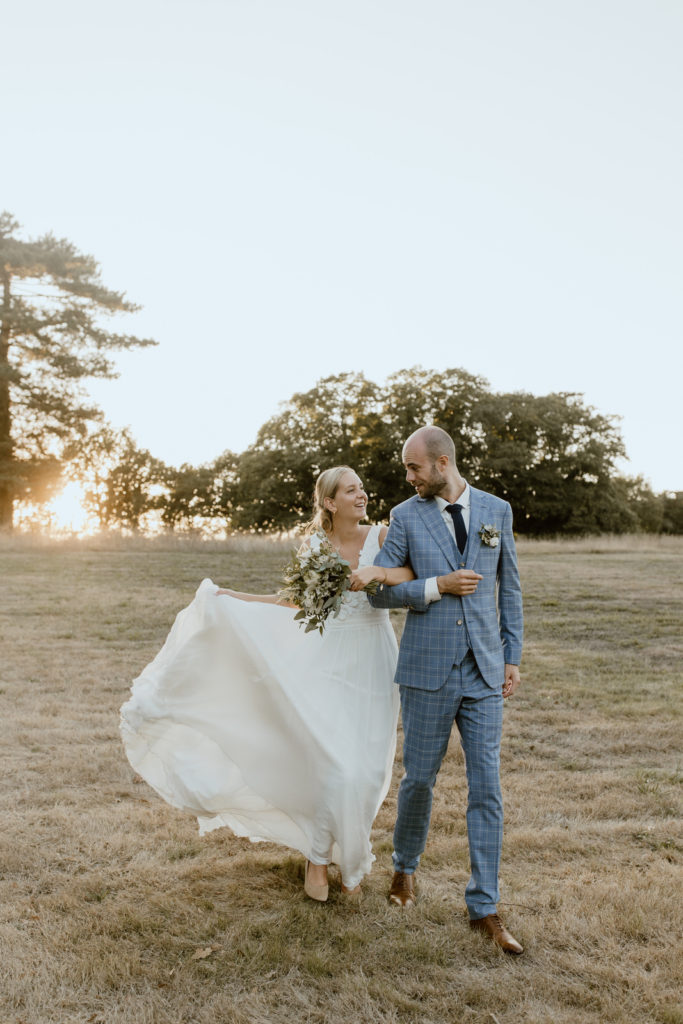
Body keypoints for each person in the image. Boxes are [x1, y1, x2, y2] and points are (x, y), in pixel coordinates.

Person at [120, 466, 413, 901]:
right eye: (351, 490)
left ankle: (349, 858)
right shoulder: (316, 544)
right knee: (334, 763)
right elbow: (294, 600)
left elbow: (411, 573)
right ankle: (322, 860)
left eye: (362, 488)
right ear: (330, 502)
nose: (362, 495)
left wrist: (378, 573)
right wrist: (237, 601)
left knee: (368, 769)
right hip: (328, 658)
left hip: (374, 658)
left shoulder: (384, 536)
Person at [351, 426, 524, 953]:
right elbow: (381, 594)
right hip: (427, 670)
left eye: (413, 467)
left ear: (442, 463)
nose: (408, 477)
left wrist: (512, 656)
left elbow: (509, 587)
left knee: (487, 788)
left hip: (485, 672)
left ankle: (485, 906)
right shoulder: (405, 516)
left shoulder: (497, 510)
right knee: (419, 780)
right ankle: (404, 869)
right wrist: (436, 586)